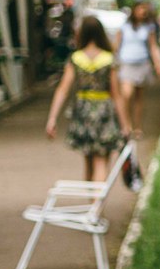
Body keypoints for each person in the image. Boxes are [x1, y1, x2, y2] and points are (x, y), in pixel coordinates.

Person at [46, 16, 132, 181]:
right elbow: (116, 95)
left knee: (88, 161)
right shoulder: (109, 59)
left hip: (82, 111)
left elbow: (63, 89)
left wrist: (52, 118)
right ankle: (96, 205)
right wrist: (125, 124)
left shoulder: (76, 58)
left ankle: (90, 202)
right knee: (101, 160)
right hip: (104, 111)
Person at [112, 1, 160, 137]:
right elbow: (116, 46)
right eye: (140, 8)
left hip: (142, 64)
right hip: (126, 65)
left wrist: (158, 64)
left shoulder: (149, 27)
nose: (143, 11)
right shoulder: (124, 27)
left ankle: (137, 126)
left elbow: (153, 47)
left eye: (145, 9)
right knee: (126, 95)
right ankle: (126, 124)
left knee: (139, 98)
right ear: (134, 10)